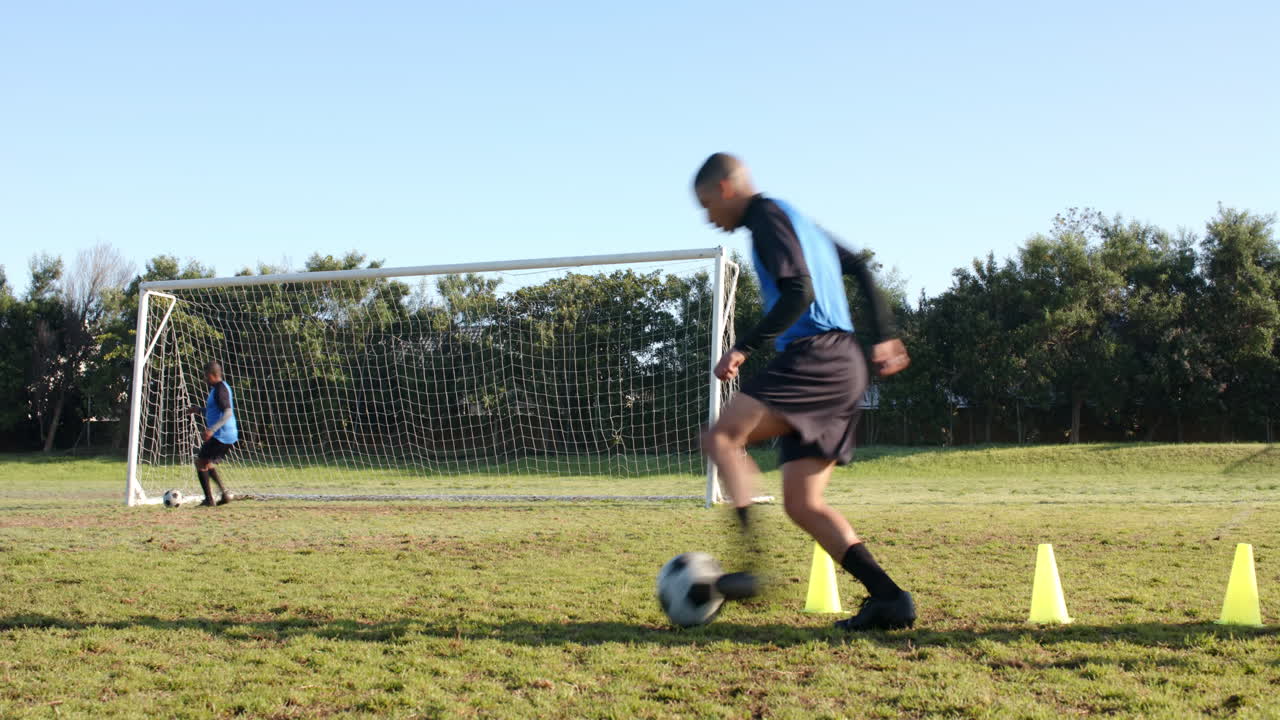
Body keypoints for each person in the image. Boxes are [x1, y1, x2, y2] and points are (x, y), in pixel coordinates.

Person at [693, 153, 915, 630]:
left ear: (727, 188)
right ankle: (890, 599)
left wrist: (743, 348)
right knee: (803, 504)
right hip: (843, 361)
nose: (710, 218)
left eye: (708, 205)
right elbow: (859, 265)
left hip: (818, 356)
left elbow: (799, 292)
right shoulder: (798, 221)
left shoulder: (766, 219)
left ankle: (750, 564)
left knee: (721, 437)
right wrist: (883, 333)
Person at [185, 360, 239, 507]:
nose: (205, 379)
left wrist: (212, 430)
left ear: (213, 375)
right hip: (225, 435)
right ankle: (224, 494)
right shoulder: (218, 389)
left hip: (221, 435)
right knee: (207, 463)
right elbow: (214, 411)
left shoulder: (221, 389)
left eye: (206, 376)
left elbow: (228, 412)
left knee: (200, 462)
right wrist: (198, 410)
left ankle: (209, 500)